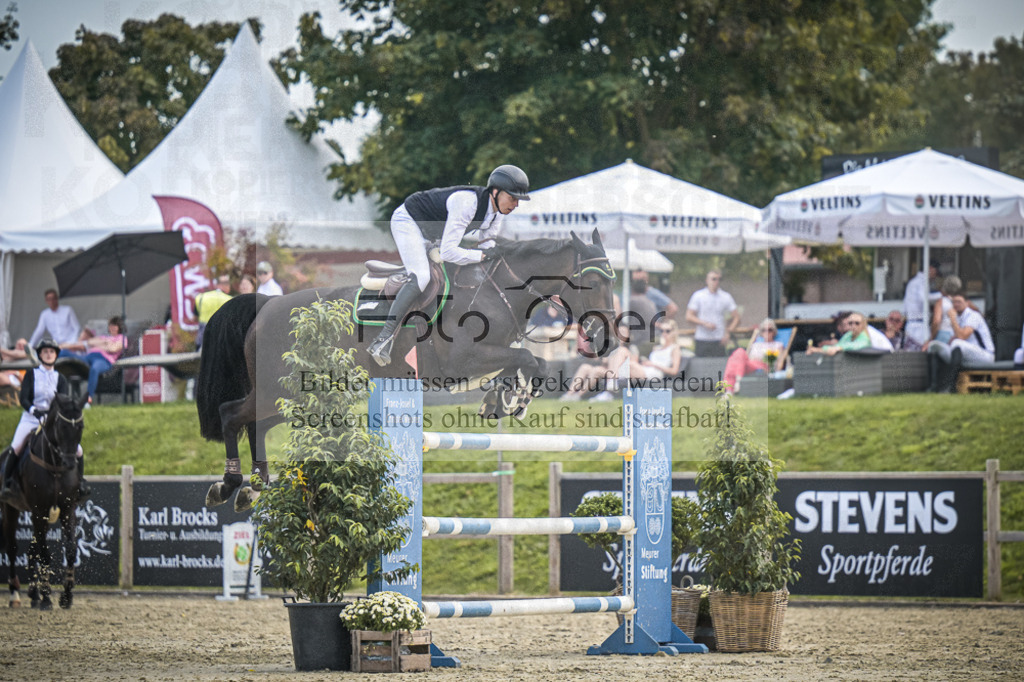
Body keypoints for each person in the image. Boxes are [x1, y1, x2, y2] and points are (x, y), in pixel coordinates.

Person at [368, 164, 531, 366]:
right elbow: (449, 252)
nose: (516, 204)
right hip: (408, 221)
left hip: (432, 234)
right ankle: (383, 339)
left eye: (518, 200)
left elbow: (487, 247)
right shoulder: (468, 203)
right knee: (422, 277)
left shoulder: (496, 213)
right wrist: (481, 255)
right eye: (513, 198)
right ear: (495, 192)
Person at [0, 338, 86, 508]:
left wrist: (54, 415)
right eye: (45, 352)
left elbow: (64, 401)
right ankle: (7, 483)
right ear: (40, 354)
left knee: (78, 450)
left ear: (55, 355)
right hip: (31, 417)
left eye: (51, 352)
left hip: (53, 421)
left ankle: (81, 483)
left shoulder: (60, 378)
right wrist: (34, 410)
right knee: (16, 446)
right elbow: (24, 399)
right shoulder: (32, 374)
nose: (48, 354)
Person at [926, 293, 995, 392]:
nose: (956, 304)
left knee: (957, 343)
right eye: (954, 302)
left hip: (985, 355)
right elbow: (954, 338)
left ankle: (951, 386)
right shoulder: (958, 316)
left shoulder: (973, 315)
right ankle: (934, 386)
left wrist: (953, 319)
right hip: (966, 354)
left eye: (959, 302)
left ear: (967, 303)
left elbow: (962, 336)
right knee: (934, 346)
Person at [2, 289, 83, 363]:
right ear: (46, 301)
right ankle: (6, 356)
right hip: (56, 345)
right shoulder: (45, 314)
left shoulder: (67, 310)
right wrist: (31, 344)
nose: (52, 301)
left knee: (35, 354)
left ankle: (5, 353)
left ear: (57, 299)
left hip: (70, 345)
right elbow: (39, 331)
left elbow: (76, 328)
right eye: (49, 299)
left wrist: (70, 343)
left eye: (53, 298)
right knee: (30, 353)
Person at [58, 317, 128, 401]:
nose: (112, 328)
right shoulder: (104, 337)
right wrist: (105, 343)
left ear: (119, 327)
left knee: (94, 369)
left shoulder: (122, 338)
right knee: (64, 352)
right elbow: (90, 342)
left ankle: (88, 398)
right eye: (111, 326)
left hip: (104, 360)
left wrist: (101, 344)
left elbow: (113, 349)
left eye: (115, 326)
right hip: (89, 357)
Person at [724, 318, 787, 394]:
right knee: (738, 353)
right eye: (764, 330)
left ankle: (730, 390)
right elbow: (748, 358)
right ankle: (737, 382)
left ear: (774, 332)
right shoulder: (756, 344)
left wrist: (766, 361)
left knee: (734, 360)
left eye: (769, 330)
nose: (766, 332)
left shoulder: (778, 345)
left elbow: (778, 362)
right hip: (749, 364)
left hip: (763, 366)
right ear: (761, 332)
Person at [685, 269, 739, 357]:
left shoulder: (726, 296)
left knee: (718, 367)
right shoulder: (698, 296)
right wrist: (704, 323)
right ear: (707, 280)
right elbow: (689, 316)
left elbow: (736, 317)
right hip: (702, 338)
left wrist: (728, 333)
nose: (716, 282)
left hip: (719, 339)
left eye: (719, 279)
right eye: (713, 279)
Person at [903, 260, 939, 351]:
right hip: (918, 325)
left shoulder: (914, 282)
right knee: (921, 353)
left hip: (913, 323)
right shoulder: (920, 281)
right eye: (936, 271)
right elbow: (924, 298)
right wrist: (942, 296)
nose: (936, 275)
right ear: (930, 268)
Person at [193, 275, 233, 349]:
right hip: (222, 338)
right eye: (227, 283)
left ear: (216, 285)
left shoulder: (201, 297)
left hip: (203, 336)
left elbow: (195, 318)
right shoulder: (231, 300)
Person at [929, 275, 963, 346]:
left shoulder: (941, 301)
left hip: (943, 335)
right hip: (955, 336)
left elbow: (936, 321)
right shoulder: (959, 303)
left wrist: (931, 339)